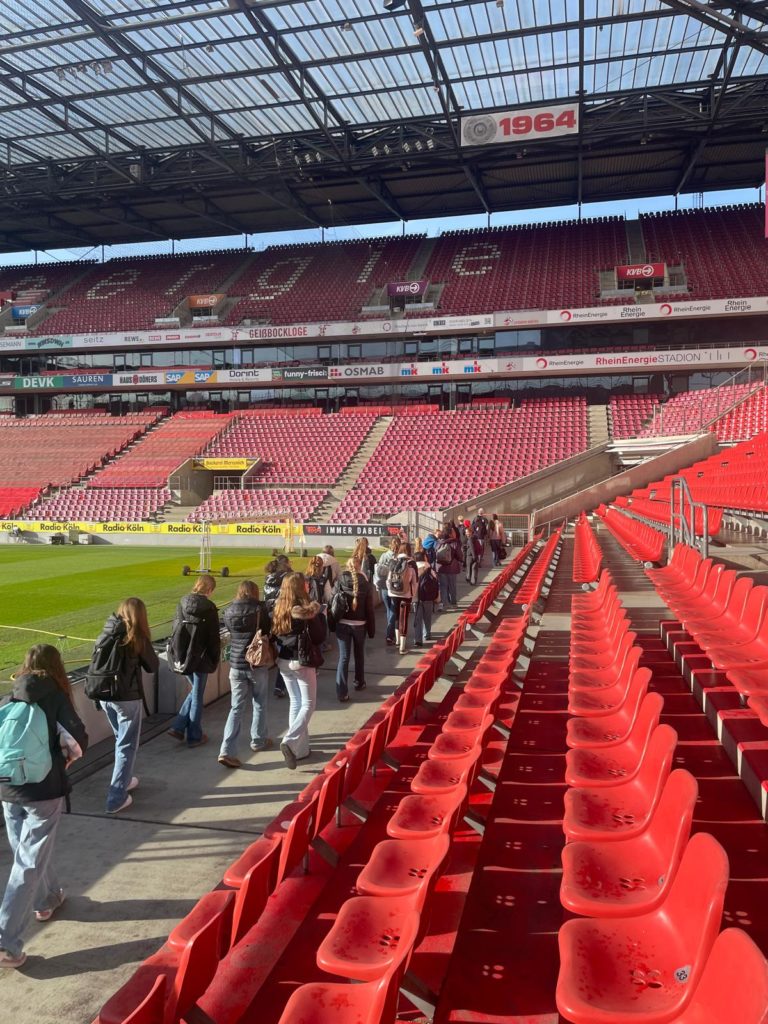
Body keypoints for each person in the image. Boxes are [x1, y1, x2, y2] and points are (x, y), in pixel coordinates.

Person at [0, 645, 88, 967]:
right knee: (29, 861)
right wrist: (63, 762)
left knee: (26, 853)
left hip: (8, 787)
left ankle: (46, 899)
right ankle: (5, 942)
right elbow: (79, 742)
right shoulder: (55, 696)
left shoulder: (11, 696)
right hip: (43, 790)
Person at [95, 598, 158, 813]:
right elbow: (152, 666)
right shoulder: (135, 638)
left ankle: (125, 780)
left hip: (104, 696)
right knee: (126, 746)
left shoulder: (106, 632)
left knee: (121, 742)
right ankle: (116, 797)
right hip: (126, 698)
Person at [271, 573, 327, 769]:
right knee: (308, 704)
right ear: (300, 587)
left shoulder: (278, 607)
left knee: (296, 702)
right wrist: (319, 616)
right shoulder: (306, 611)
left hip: (283, 660)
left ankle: (300, 750)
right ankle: (290, 741)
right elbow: (319, 637)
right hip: (301, 660)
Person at [218, 581, 272, 769]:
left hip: (235, 664)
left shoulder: (229, 610)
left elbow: (231, 632)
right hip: (256, 663)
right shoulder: (259, 609)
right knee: (260, 703)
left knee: (236, 708)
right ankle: (258, 739)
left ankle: (226, 750)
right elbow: (267, 631)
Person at [167, 574, 220, 748]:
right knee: (197, 695)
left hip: (183, 655)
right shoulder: (209, 607)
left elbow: (175, 628)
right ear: (209, 589)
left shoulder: (182, 603)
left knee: (195, 692)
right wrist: (214, 658)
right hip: (201, 657)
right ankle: (193, 735)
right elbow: (213, 638)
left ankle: (179, 727)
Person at [329, 556, 375, 701]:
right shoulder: (365, 584)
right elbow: (369, 609)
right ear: (359, 567)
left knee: (343, 658)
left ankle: (341, 692)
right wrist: (371, 629)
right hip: (359, 625)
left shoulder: (340, 580)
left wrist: (332, 624)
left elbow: (332, 602)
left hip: (342, 623)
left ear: (347, 566)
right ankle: (359, 682)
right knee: (359, 654)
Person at [264, 557, 291, 697]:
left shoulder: (267, 580)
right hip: (282, 618)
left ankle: (280, 684)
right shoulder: (286, 579)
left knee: (280, 650)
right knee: (284, 651)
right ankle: (280, 686)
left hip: (270, 618)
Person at [386, 542, 418, 654]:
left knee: (396, 617)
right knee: (404, 619)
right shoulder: (412, 563)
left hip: (393, 593)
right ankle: (402, 647)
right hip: (406, 594)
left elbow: (388, 579)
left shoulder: (393, 561)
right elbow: (415, 582)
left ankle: (397, 641)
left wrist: (391, 590)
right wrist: (412, 594)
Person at [375, 537, 401, 646]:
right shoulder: (399, 557)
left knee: (389, 610)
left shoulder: (384, 556)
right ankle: (390, 635)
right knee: (393, 610)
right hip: (394, 586)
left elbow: (378, 571)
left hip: (385, 586)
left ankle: (391, 633)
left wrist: (378, 584)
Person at [413, 548, 439, 646]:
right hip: (428, 597)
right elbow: (436, 582)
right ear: (424, 558)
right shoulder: (429, 569)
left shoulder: (413, 569)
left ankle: (418, 639)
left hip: (416, 597)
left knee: (417, 619)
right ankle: (427, 634)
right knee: (427, 617)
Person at [436, 524, 463, 608]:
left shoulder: (439, 542)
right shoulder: (455, 542)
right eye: (453, 532)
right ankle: (453, 603)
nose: (455, 533)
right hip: (452, 567)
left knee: (443, 586)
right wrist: (460, 560)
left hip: (441, 567)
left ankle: (443, 604)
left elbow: (435, 553)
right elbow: (459, 555)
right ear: (450, 534)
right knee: (452, 586)